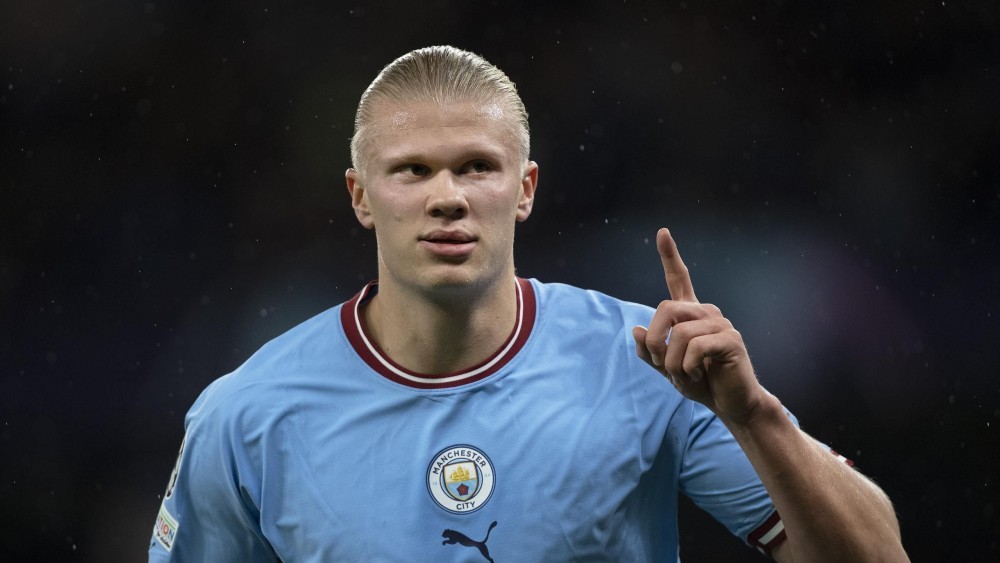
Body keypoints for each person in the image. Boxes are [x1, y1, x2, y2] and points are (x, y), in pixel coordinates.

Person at [148, 45, 908, 561]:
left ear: (525, 189)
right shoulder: (246, 416)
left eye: (477, 166)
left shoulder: (650, 362)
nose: (447, 196)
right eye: (412, 170)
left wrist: (755, 416)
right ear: (361, 197)